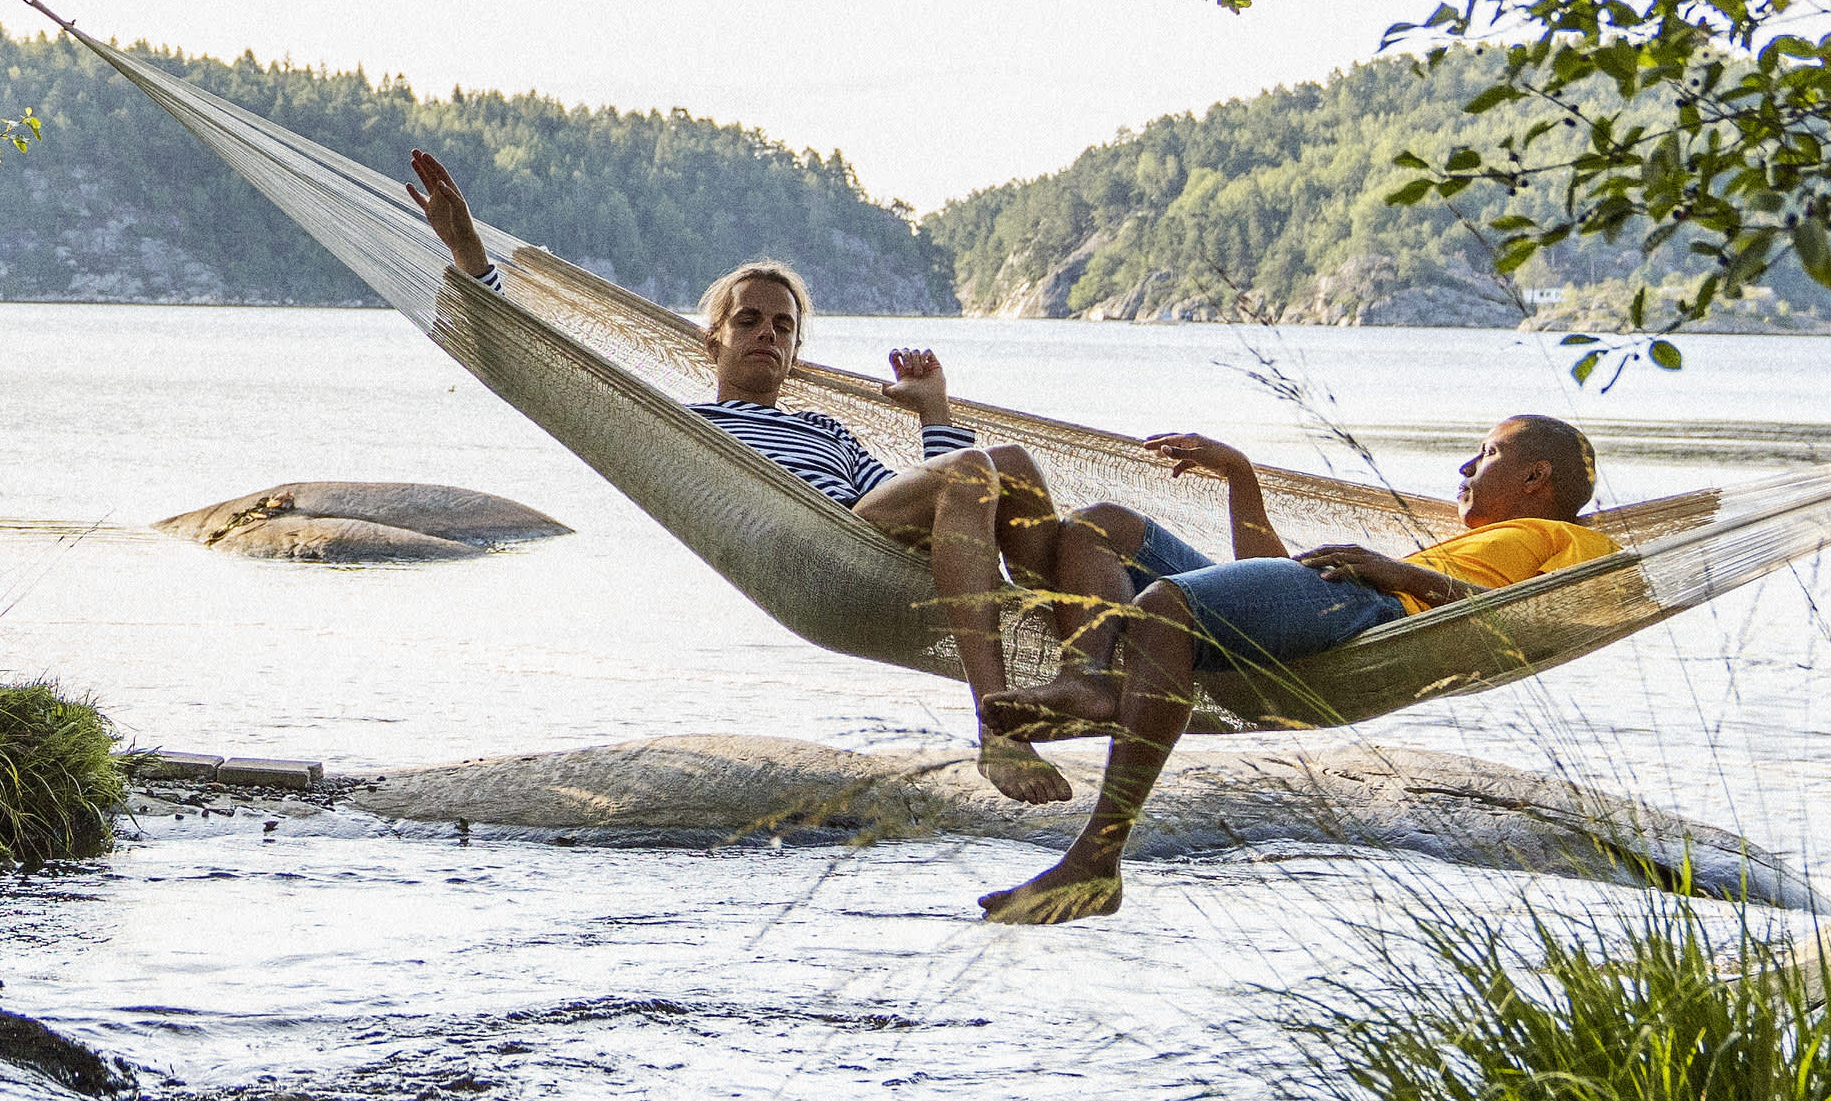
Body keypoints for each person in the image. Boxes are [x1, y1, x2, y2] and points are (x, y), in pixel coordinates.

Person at [401, 153, 1193, 903]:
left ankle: (1100, 664)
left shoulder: (828, 431)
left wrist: (934, 413)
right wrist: (472, 255)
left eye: (783, 326)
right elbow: (551, 366)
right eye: (749, 320)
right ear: (713, 338)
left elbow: (950, 506)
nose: (768, 335)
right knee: (996, 464)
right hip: (814, 548)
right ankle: (1000, 721)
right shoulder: (684, 424)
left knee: (1075, 511)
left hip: (868, 544)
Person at [1112, 416, 1619, 664]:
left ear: (1535, 478)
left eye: (1486, 454)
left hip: (1378, 608)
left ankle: (1101, 699)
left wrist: (1397, 573)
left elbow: (1536, 622)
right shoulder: (1480, 545)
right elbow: (1267, 587)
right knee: (1106, 526)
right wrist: (1240, 476)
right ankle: (1086, 676)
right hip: (1347, 608)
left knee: (1164, 606)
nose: (1466, 468)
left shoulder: (1576, 541)